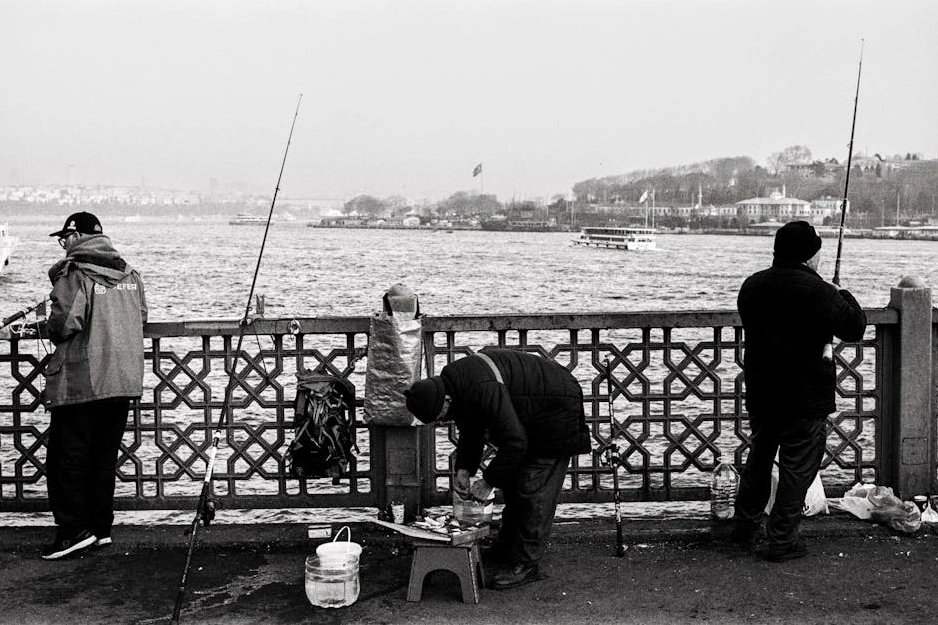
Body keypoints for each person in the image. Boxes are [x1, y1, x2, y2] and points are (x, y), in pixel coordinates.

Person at [733, 220, 866, 562]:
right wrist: (841, 292)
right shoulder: (819, 291)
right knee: (797, 468)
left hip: (762, 393)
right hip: (804, 398)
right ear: (809, 256)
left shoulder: (752, 286)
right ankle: (781, 539)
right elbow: (854, 326)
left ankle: (744, 527)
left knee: (759, 460)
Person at [405, 348, 591, 590]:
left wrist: (487, 482)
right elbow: (471, 428)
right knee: (514, 485)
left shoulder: (481, 387)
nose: (441, 421)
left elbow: (516, 442)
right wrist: (463, 469)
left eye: (439, 416)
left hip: (556, 407)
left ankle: (527, 564)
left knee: (533, 490)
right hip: (532, 409)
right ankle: (506, 549)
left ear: (446, 400)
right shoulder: (456, 383)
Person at [40, 211, 147, 560]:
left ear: (75, 236)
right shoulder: (130, 274)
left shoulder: (75, 273)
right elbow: (141, 316)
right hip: (122, 380)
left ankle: (73, 531)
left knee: (66, 458)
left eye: (64, 238)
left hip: (83, 381)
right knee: (102, 458)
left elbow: (64, 323)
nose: (63, 244)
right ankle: (100, 529)